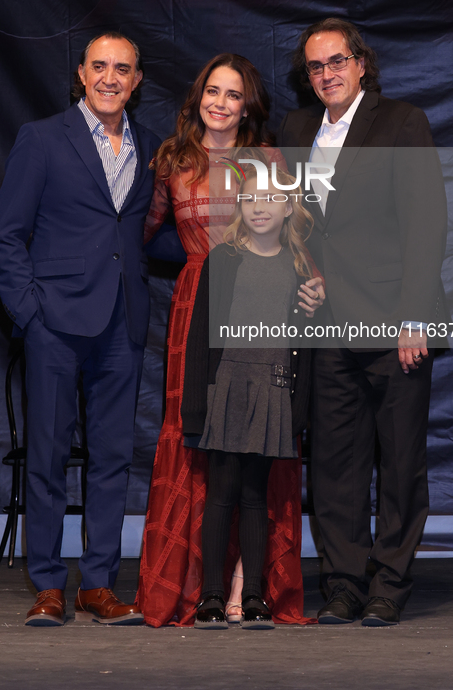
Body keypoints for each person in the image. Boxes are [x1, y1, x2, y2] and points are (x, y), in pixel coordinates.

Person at [136, 54, 319, 626]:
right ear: (198, 98)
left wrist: (309, 286)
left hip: (262, 301)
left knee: (260, 441)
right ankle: (195, 584)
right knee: (198, 437)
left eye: (233, 94)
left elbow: (291, 231)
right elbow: (145, 233)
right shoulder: (172, 159)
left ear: (248, 105)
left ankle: (248, 580)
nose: (220, 102)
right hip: (197, 304)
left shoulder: (263, 160)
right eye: (211, 91)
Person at [277, 18, 447, 627]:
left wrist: (413, 317)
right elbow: (294, 222)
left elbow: (426, 224)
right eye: (316, 67)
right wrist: (304, 275)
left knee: (399, 460)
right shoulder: (298, 129)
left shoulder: (401, 122)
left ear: (361, 64)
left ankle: (390, 584)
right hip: (327, 326)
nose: (327, 74)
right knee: (333, 466)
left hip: (394, 322)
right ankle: (344, 584)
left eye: (337, 61)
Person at [0, 32, 158, 627]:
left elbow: (143, 234)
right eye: (100, 67)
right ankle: (48, 586)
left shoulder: (153, 148)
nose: (111, 77)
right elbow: (7, 234)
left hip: (122, 323)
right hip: (55, 324)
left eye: (123, 69)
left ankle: (99, 585)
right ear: (81, 74)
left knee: (112, 459)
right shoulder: (41, 138)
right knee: (48, 458)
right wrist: (30, 314)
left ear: (137, 81)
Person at [183, 169, 323, 629]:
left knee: (253, 496)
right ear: (239, 206)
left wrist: (297, 407)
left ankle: (257, 595)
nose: (260, 206)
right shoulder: (223, 260)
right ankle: (211, 595)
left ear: (288, 208)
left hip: (274, 388)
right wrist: (197, 406)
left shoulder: (300, 267)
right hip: (228, 386)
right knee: (221, 493)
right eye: (250, 198)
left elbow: (305, 342)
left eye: (270, 198)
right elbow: (201, 337)